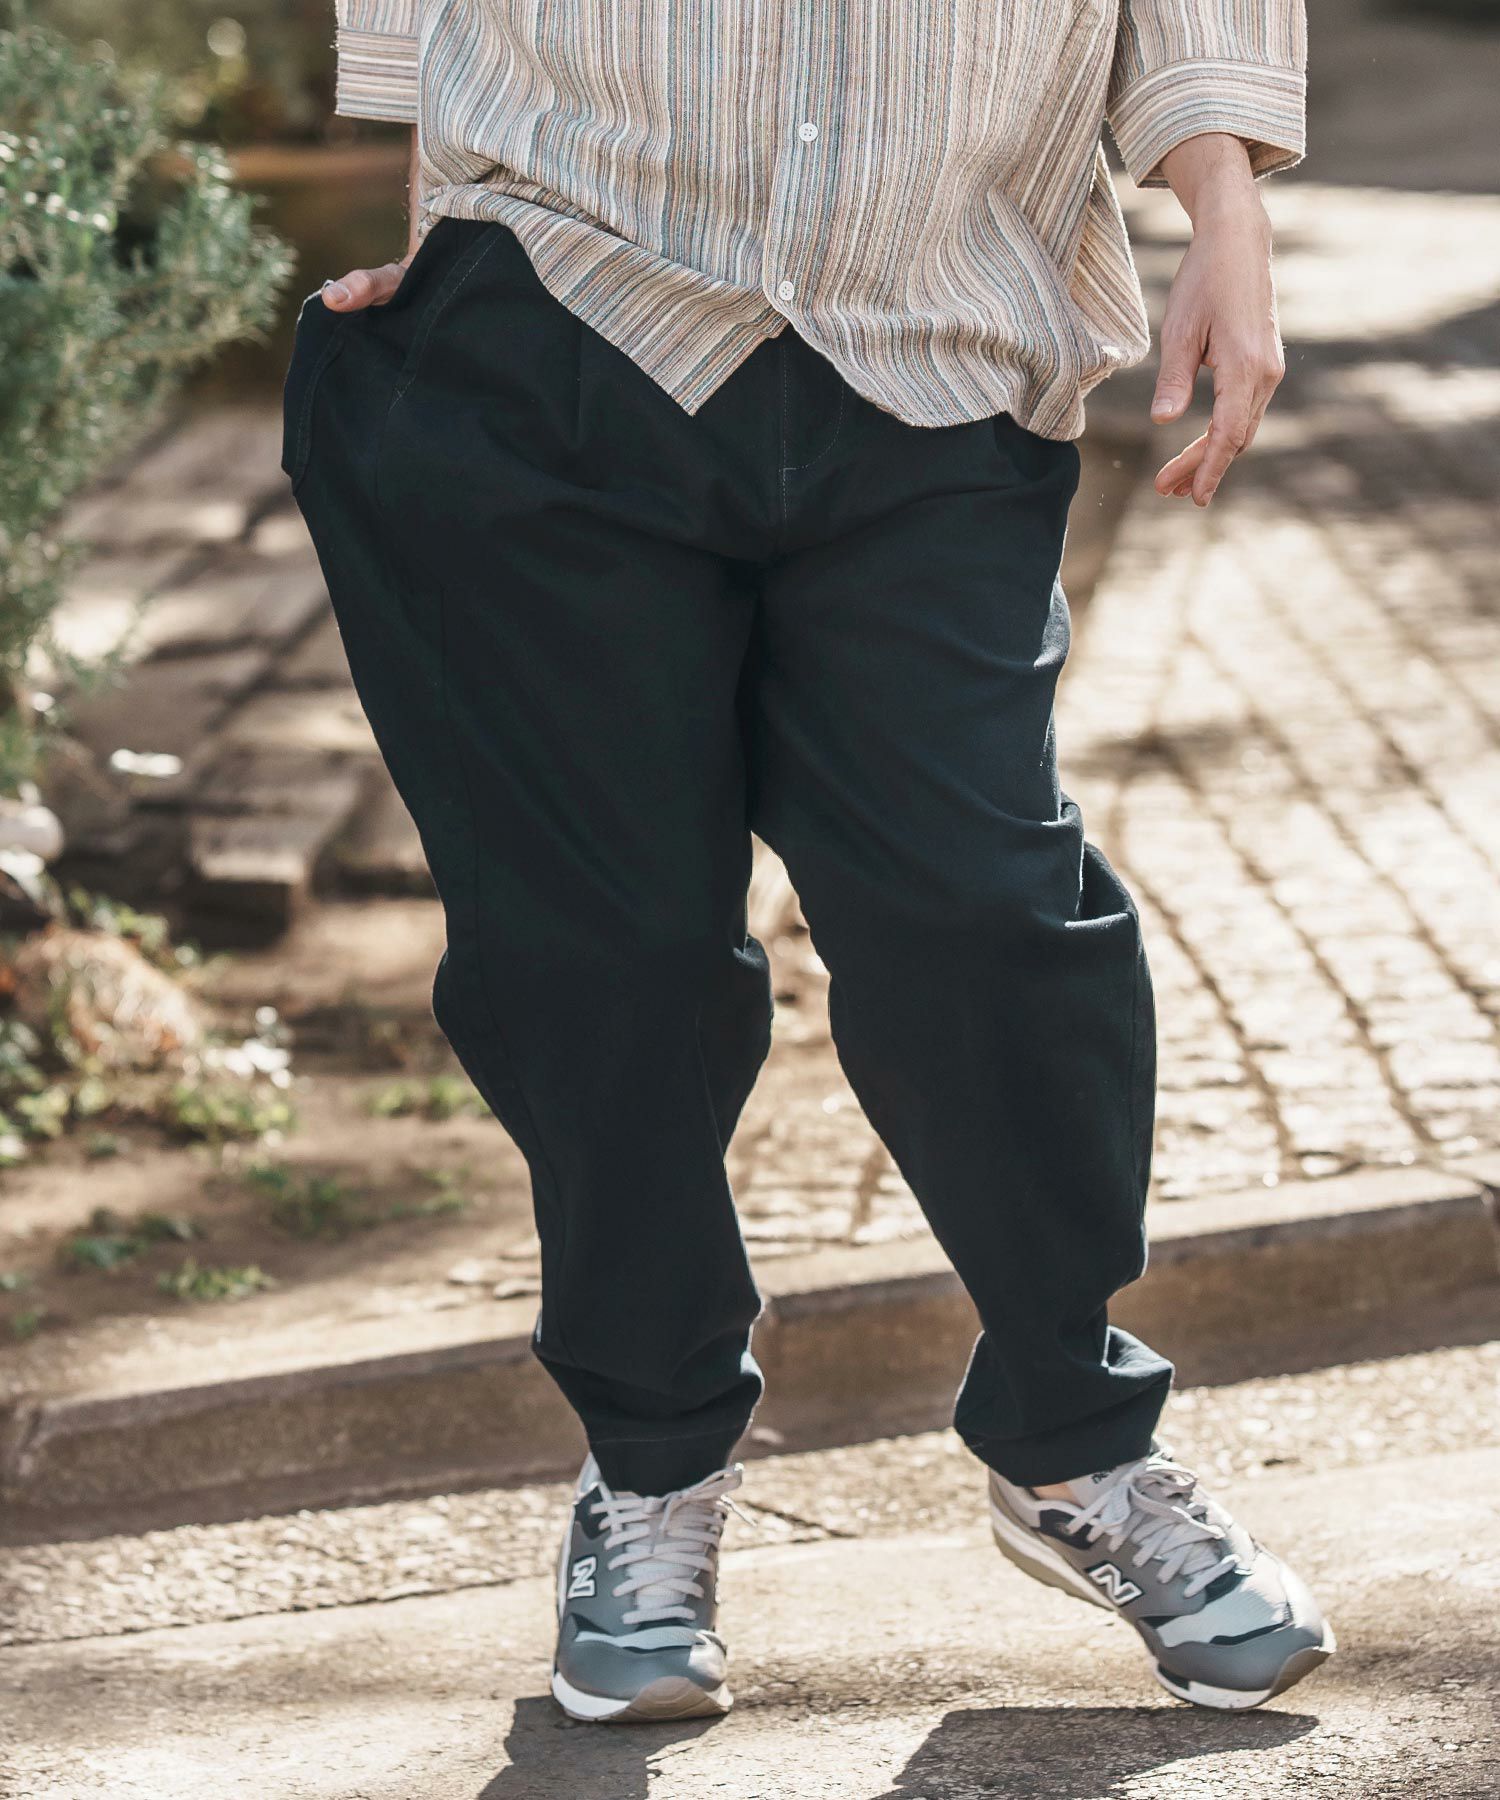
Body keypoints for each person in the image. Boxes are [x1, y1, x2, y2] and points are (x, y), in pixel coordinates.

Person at [288, 0, 1333, 1725]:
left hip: (937, 333)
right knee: (601, 949)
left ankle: (1075, 1438)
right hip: (559, 306)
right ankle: (651, 1465)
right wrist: (434, 219)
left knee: (985, 902)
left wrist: (1224, 200)